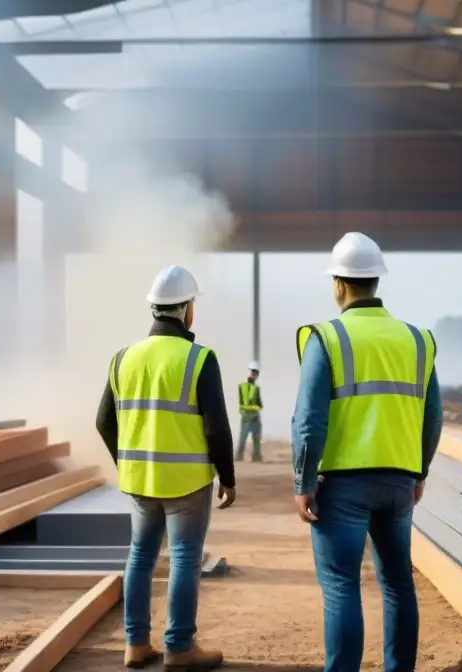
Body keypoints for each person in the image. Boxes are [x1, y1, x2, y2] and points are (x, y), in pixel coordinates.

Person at [291, 232, 444, 672]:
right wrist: (419, 474)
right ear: (376, 281)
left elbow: (309, 421)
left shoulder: (327, 338)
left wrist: (303, 483)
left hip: (342, 486)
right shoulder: (418, 341)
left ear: (338, 284)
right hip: (398, 483)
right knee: (398, 584)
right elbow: (432, 419)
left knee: (341, 587)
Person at [96, 265, 236, 671]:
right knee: (184, 559)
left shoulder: (123, 358)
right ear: (186, 310)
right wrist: (227, 477)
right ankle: (178, 647)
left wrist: (128, 464)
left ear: (155, 309)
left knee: (140, 557)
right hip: (187, 483)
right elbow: (217, 428)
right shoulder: (199, 359)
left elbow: (104, 422)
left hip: (140, 482)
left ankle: (135, 645)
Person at [236, 362, 263, 462]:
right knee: (244, 437)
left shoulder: (255, 388)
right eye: (253, 372)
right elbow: (243, 401)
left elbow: (258, 402)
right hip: (247, 415)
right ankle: (240, 457)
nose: (254, 375)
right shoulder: (243, 386)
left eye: (255, 373)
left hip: (252, 415)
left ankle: (254, 457)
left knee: (255, 437)